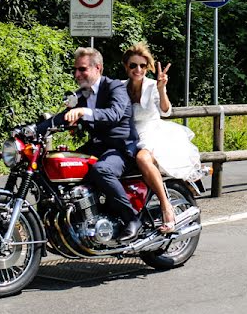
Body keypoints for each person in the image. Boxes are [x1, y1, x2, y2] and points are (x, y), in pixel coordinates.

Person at [43, 47, 143, 241]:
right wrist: (31, 130)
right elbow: (61, 117)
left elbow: (113, 114)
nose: (77, 74)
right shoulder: (82, 94)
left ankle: (132, 218)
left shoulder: (115, 87)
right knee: (63, 165)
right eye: (76, 70)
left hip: (120, 147)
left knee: (101, 170)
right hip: (98, 146)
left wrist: (83, 112)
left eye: (82, 69)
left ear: (97, 68)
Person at [122, 42, 202, 233]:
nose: (138, 69)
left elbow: (166, 111)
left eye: (142, 65)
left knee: (142, 158)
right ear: (126, 66)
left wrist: (161, 88)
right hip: (128, 135)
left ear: (147, 67)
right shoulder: (121, 87)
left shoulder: (152, 86)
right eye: (133, 65)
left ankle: (166, 208)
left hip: (152, 133)